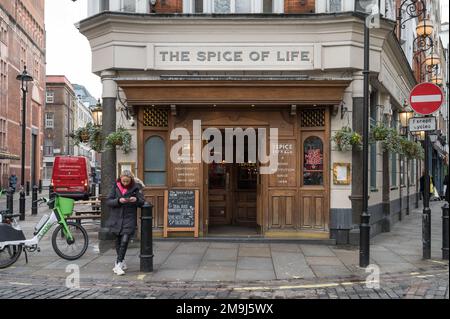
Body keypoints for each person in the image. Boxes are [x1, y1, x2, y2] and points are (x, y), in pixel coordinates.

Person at [106, 170, 145, 275]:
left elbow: (142, 201)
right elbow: (108, 201)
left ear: (131, 180)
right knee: (118, 242)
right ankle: (121, 261)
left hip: (129, 218)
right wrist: (119, 201)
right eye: (124, 181)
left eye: (127, 181)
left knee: (125, 241)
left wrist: (135, 199)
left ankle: (118, 265)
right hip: (116, 218)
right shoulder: (115, 186)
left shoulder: (136, 187)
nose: (125, 183)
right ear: (120, 178)